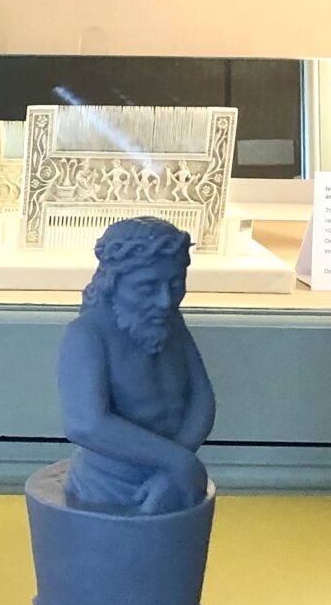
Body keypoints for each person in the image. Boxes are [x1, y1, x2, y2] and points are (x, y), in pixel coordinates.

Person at [59, 216, 215, 515]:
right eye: (146, 288)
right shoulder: (87, 335)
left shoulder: (172, 326)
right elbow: (86, 424)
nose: (165, 301)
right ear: (113, 283)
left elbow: (202, 398)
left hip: (174, 473)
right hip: (107, 483)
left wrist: (175, 467)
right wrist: (178, 462)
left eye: (176, 284)